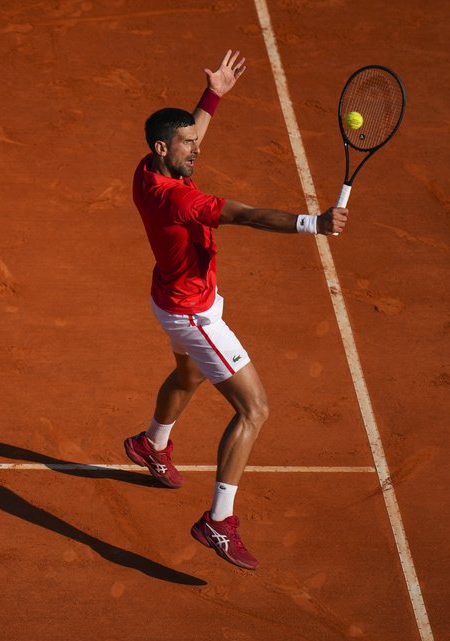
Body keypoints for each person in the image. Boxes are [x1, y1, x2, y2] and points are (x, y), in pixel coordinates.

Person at [123, 50, 348, 570]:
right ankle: (218, 521)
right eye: (187, 144)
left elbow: (187, 136)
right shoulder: (180, 201)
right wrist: (313, 224)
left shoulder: (146, 170)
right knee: (254, 409)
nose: (196, 150)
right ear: (163, 149)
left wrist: (213, 96)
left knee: (189, 375)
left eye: (195, 141)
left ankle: (152, 444)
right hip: (195, 315)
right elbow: (246, 215)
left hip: (168, 298)